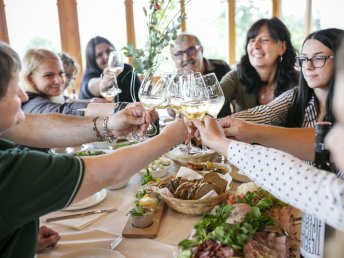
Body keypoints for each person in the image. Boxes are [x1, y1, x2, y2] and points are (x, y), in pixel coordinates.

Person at [0, 41, 188, 257]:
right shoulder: (7, 168)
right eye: (15, 91)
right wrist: (170, 137)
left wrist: (21, 236)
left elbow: (34, 124)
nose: (23, 96)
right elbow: (110, 172)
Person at [219, 17, 299, 115]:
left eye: (264, 40)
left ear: (282, 47)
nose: (255, 46)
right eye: (252, 40)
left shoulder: (298, 81)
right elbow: (214, 98)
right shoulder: (237, 75)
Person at [21, 48, 135, 116]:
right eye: (49, 75)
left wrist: (91, 101)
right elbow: (61, 112)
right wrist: (120, 108)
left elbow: (67, 101)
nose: (59, 80)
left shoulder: (48, 95)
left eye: (61, 73)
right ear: (30, 79)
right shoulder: (30, 102)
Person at [170, 33, 231, 118]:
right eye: (179, 54)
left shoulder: (221, 67)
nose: (186, 57)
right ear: (173, 58)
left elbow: (236, 99)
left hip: (224, 126)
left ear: (201, 50)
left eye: (191, 50)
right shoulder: (173, 79)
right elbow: (172, 112)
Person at [79, 36, 141, 103]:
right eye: (99, 55)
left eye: (109, 51)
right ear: (92, 60)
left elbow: (140, 96)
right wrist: (103, 82)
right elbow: (90, 85)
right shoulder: (90, 76)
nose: (106, 56)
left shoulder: (127, 69)